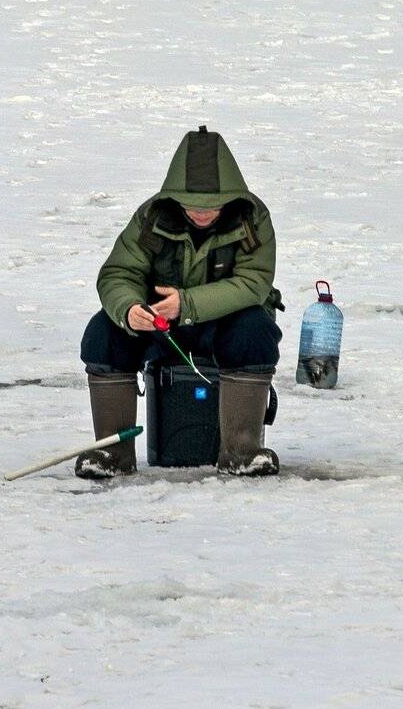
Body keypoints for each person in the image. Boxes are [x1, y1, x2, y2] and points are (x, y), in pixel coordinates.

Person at [77, 125, 283, 479]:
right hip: (158, 324)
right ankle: (112, 455)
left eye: (212, 206)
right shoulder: (152, 217)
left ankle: (242, 452)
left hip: (225, 323)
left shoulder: (253, 219)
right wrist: (129, 310)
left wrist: (187, 304)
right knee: (102, 333)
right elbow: (118, 274)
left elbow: (253, 283)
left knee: (255, 331)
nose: (201, 213)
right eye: (191, 205)